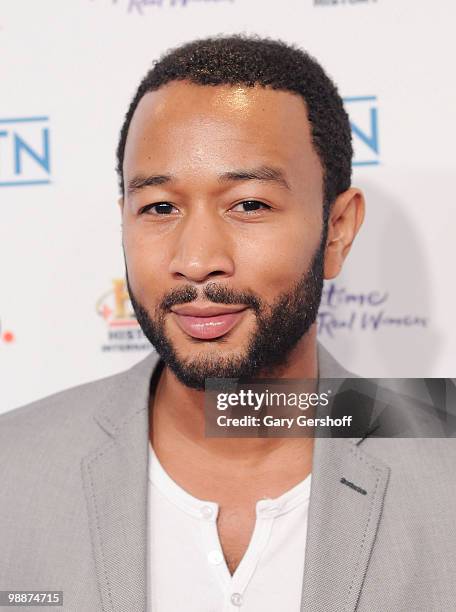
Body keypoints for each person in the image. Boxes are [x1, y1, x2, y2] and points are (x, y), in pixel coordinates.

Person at [0, 36, 455, 612]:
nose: (195, 259)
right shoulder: (11, 471)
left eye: (249, 205)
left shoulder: (443, 468)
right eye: (160, 208)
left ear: (336, 230)